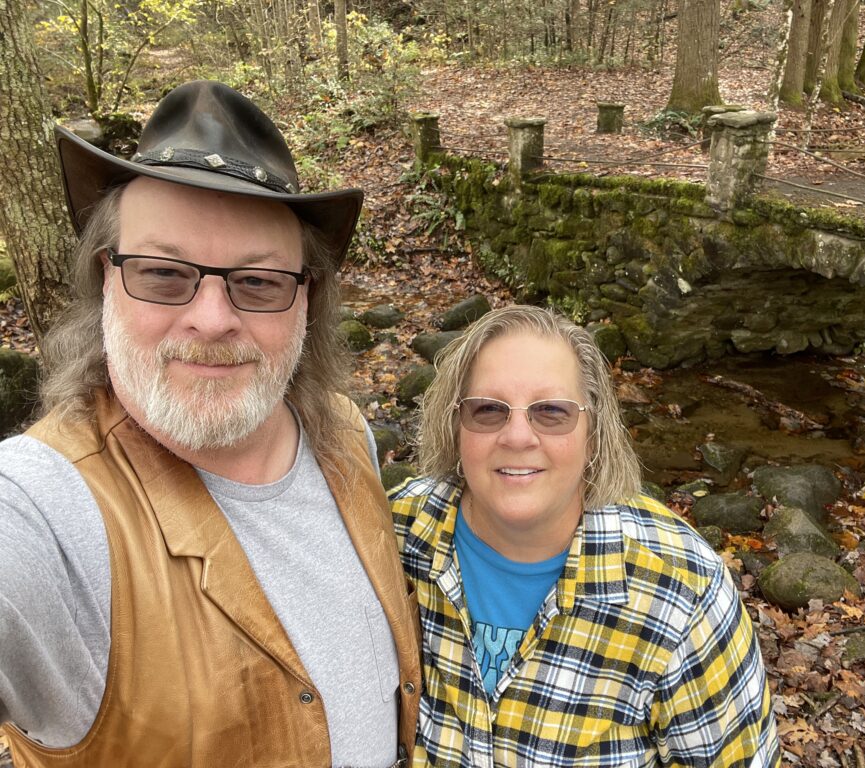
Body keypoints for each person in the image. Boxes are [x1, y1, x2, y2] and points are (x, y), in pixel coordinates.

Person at [0, 81, 420, 768]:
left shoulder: (345, 434)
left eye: (257, 282)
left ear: (306, 299)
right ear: (107, 280)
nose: (212, 318)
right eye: (165, 274)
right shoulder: (42, 508)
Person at [391, 305, 779, 767]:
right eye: (488, 410)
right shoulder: (394, 534)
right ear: (456, 425)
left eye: (551, 412)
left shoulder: (682, 592)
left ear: (593, 433)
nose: (517, 437)